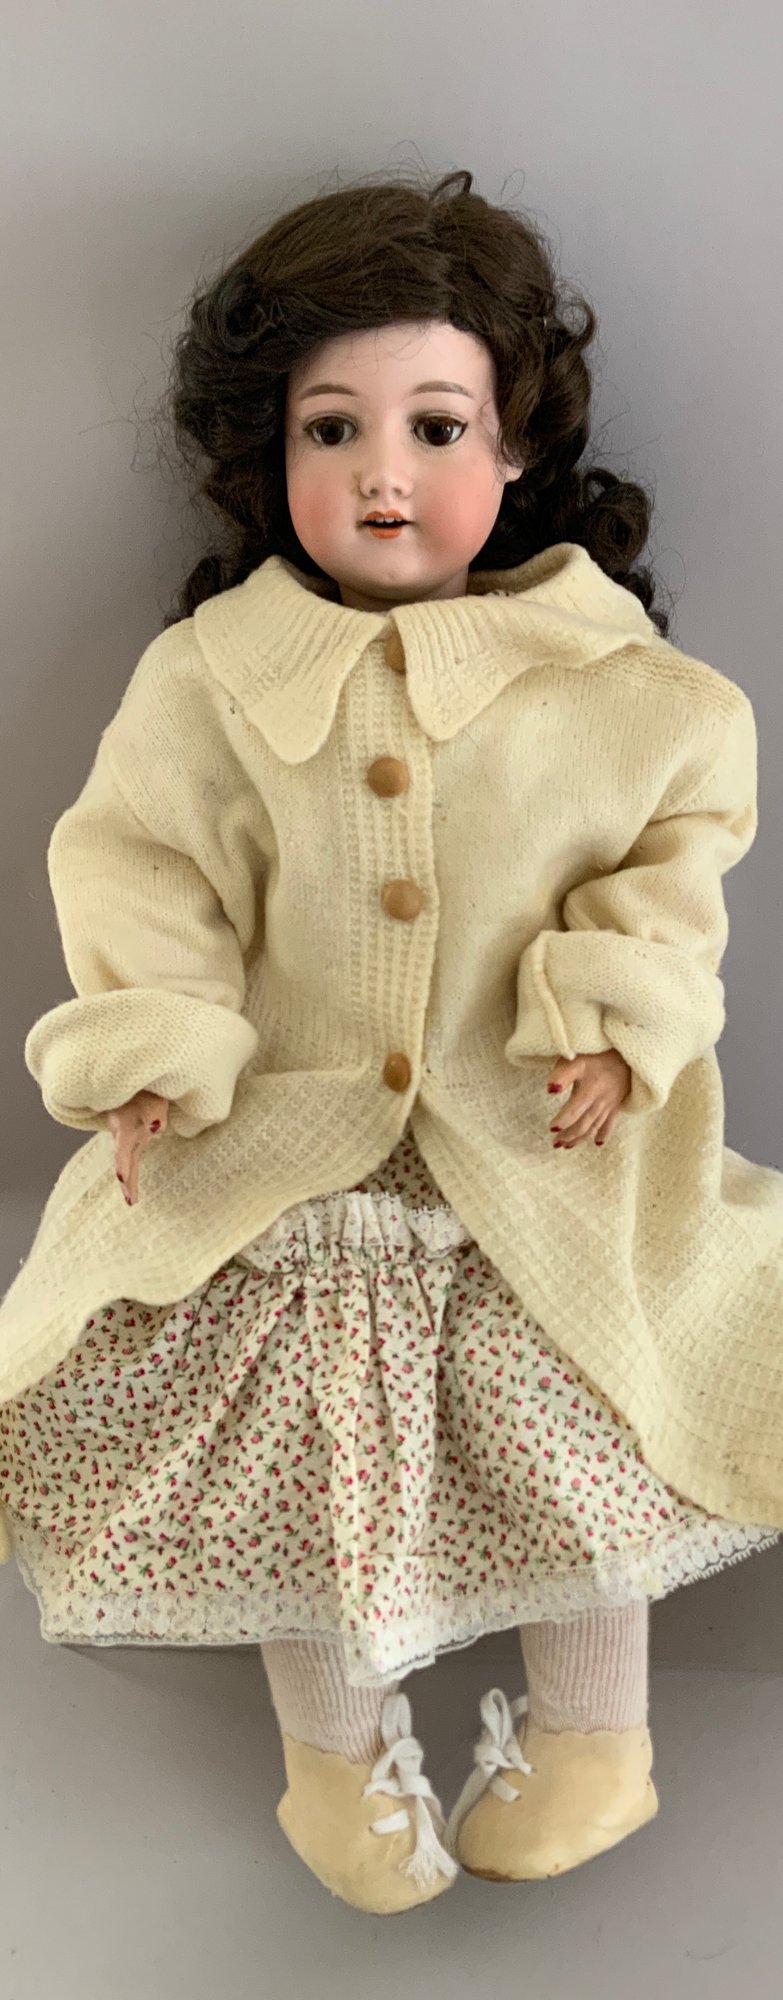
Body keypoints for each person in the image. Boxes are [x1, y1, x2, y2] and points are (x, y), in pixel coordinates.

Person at [1, 166, 781, 1916]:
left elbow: (673, 857)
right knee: (303, 1452)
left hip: (534, 1150)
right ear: (266, 453)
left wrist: (613, 1019)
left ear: (515, 447)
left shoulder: (614, 684)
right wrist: (158, 1042)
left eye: (435, 426)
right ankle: (336, 1760)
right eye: (330, 427)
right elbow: (144, 864)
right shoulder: (213, 681)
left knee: (580, 1412)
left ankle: (599, 1738)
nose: (381, 474)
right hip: (291, 1159)